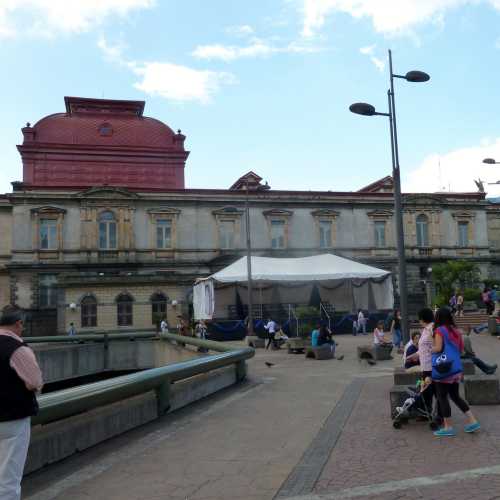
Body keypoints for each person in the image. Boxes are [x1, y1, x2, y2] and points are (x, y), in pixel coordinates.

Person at [0, 306, 43, 500]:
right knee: (8, 478)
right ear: (18, 324)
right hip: (13, 418)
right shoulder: (18, 348)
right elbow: (34, 382)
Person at [432, 307, 480, 437]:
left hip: (444, 369)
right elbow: (460, 350)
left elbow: (437, 348)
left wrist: (429, 348)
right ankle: (472, 420)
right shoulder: (456, 331)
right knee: (455, 396)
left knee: (442, 396)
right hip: (455, 369)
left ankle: (448, 427)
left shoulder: (439, 330)